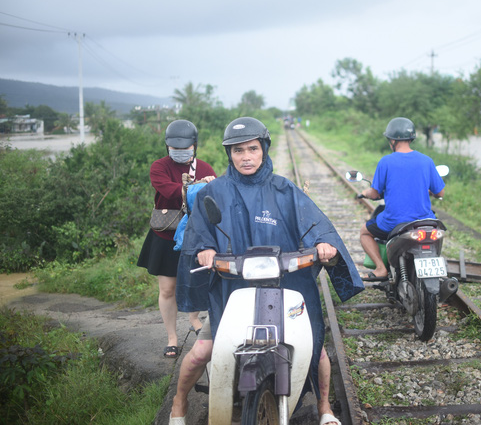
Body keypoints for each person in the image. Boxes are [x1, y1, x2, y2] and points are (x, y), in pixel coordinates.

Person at [169, 117, 364, 425]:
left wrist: (325, 244)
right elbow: (199, 233)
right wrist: (205, 249)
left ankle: (325, 407)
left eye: (252, 149)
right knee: (202, 351)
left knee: (316, 348)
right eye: (237, 151)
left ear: (264, 150)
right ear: (229, 155)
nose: (245, 157)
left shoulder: (285, 191)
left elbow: (315, 223)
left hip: (283, 285)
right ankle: (179, 404)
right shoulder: (214, 192)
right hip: (231, 289)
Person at [137, 119, 216, 358]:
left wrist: (213, 185)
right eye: (175, 148)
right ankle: (172, 337)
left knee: (198, 282)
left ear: (194, 146)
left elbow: (213, 200)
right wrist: (200, 186)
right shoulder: (158, 167)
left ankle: (194, 319)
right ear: (167, 146)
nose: (180, 152)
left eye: (185, 148)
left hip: (196, 235)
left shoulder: (205, 168)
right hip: (166, 235)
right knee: (168, 288)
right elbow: (169, 190)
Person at [359, 117, 445, 281]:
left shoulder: (386, 161)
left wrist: (365, 192)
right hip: (425, 221)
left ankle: (380, 268)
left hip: (394, 222)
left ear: (392, 139)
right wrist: (428, 191)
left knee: (364, 232)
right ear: (411, 138)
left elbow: (376, 193)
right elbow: (440, 193)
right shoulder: (427, 161)